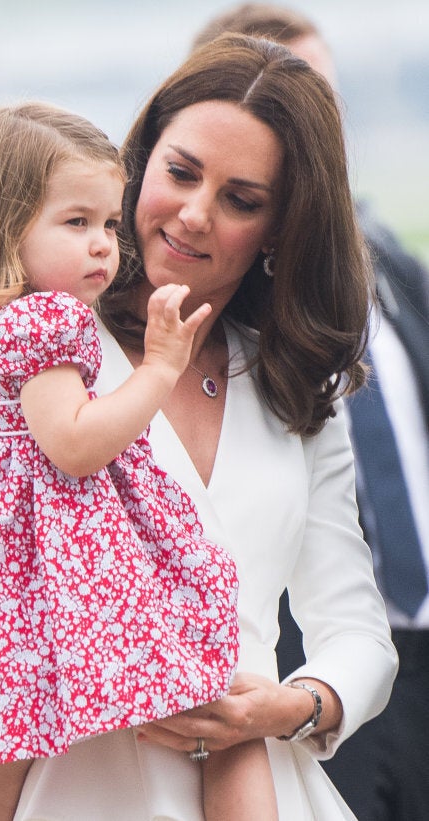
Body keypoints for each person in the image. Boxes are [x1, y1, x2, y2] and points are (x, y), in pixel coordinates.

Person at [0, 35, 398, 820]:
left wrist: (292, 706)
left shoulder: (292, 385)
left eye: (241, 199)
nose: (194, 213)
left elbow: (358, 634)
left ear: (280, 227)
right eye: (179, 173)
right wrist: (24, 589)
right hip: (71, 781)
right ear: (140, 167)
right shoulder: (35, 332)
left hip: (256, 774)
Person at [0, 100, 287, 821]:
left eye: (107, 224)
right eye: (76, 223)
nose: (103, 246)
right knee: (207, 692)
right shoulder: (47, 319)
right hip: (51, 581)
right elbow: (73, 446)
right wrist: (159, 371)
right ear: (8, 225)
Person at [192, 7, 429, 819]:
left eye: (324, 100)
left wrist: (309, 699)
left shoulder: (387, 272)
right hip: (251, 695)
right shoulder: (68, 340)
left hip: (369, 675)